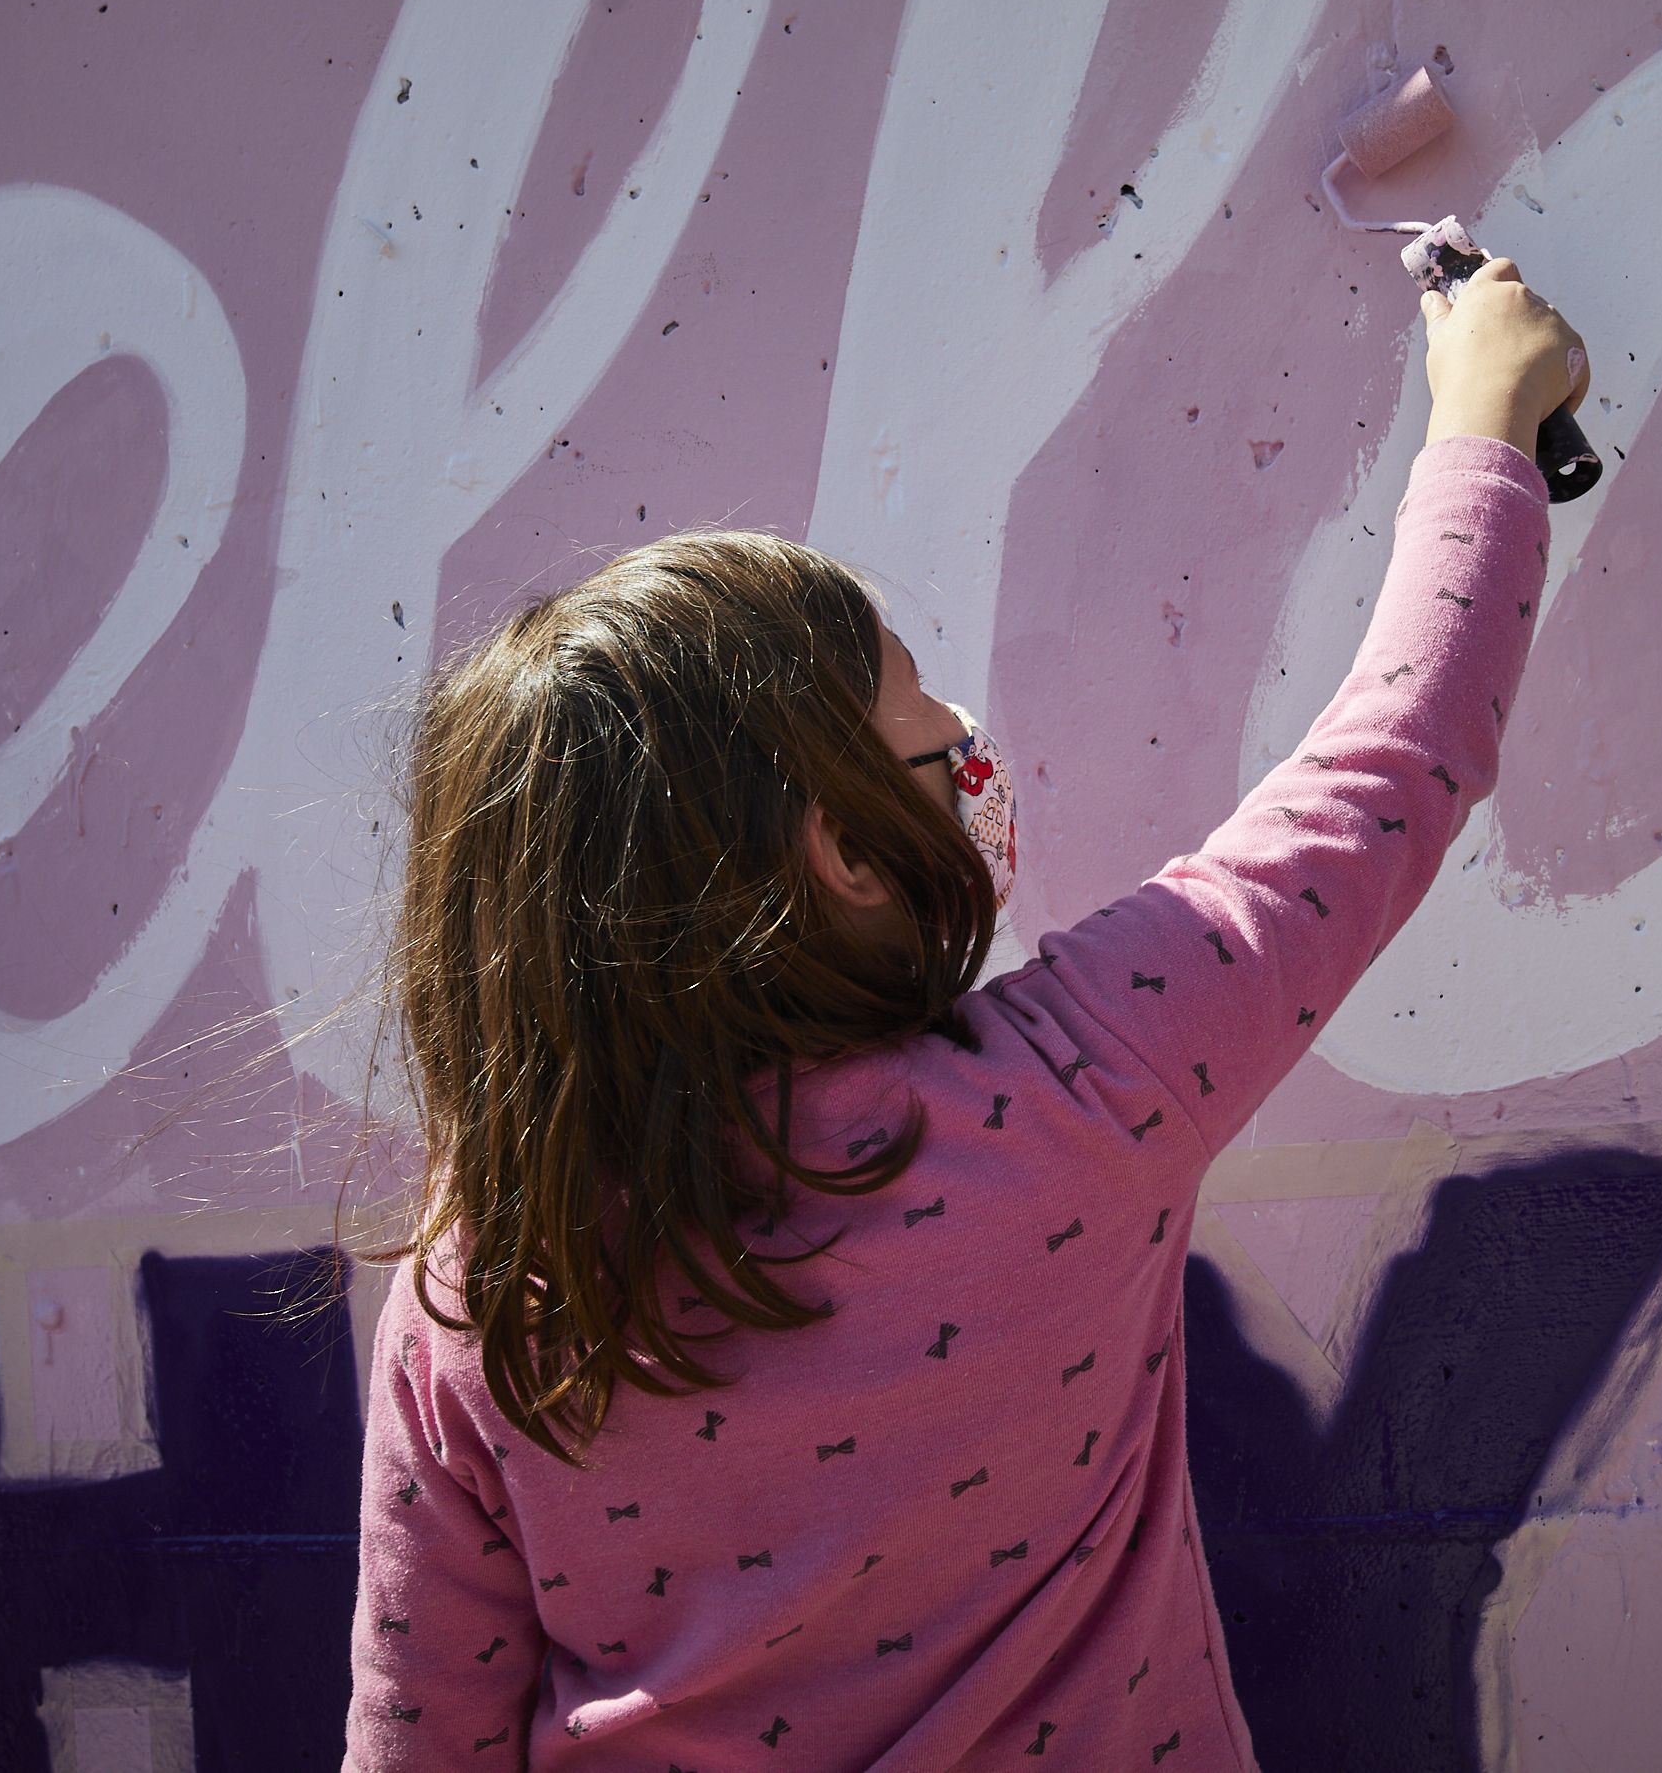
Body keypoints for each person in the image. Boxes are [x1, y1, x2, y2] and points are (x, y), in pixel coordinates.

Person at [345, 258, 1587, 1769]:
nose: (961, 736)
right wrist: (1487, 418)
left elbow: (421, 1745)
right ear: (851, 850)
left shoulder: (484, 1287)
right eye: (919, 707)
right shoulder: (1086, 1089)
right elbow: (1392, 763)